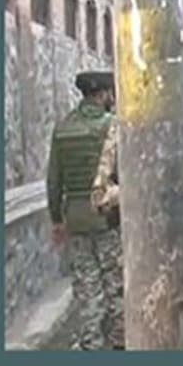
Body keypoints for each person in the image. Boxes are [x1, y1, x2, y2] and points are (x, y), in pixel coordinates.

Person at [47, 71, 124, 350]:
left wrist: (57, 219)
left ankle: (91, 342)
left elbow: (54, 180)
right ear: (104, 94)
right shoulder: (112, 126)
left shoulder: (63, 128)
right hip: (108, 214)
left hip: (76, 215)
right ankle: (119, 341)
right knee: (115, 281)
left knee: (86, 284)